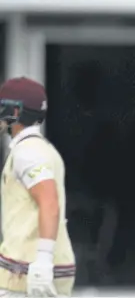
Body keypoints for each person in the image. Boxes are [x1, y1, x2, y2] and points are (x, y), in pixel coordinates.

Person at [0, 77, 75, 296]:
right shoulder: (43, 149)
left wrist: (43, 261)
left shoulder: (28, 152)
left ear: (14, 112)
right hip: (36, 268)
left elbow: (49, 202)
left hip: (27, 271)